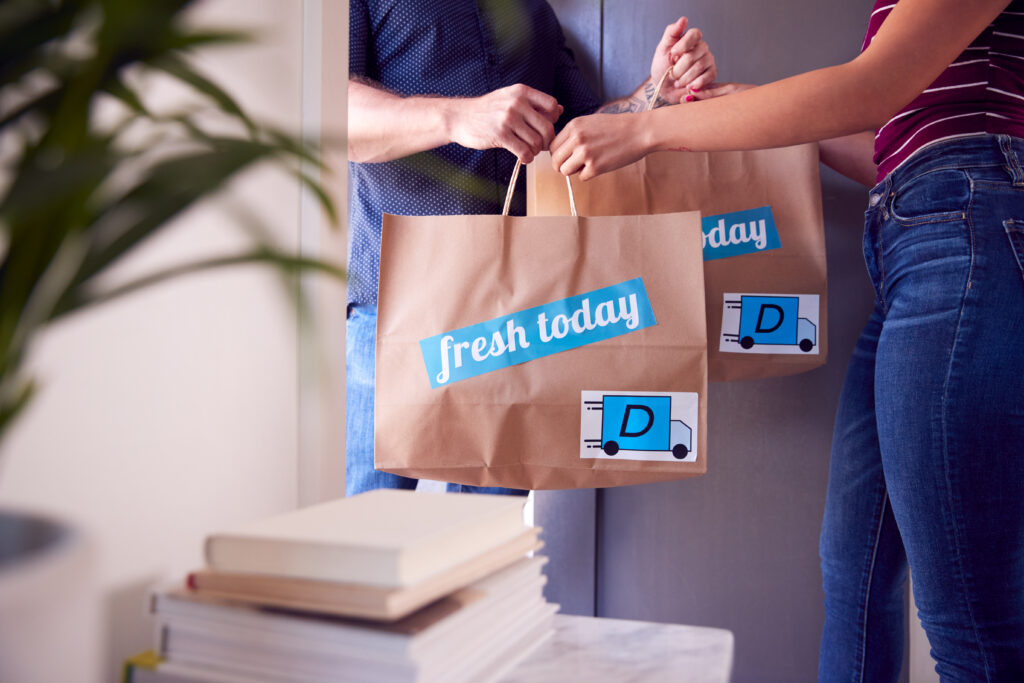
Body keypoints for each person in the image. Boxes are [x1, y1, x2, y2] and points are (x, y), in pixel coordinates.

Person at [551, 1, 1024, 679]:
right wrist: (748, 110)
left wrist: (654, 131)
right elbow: (891, 151)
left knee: (969, 628)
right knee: (854, 574)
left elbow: (874, 87)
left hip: (962, 240)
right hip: (914, 242)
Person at [346, 3, 716, 497]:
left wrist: (655, 94)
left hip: (514, 318)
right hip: (394, 309)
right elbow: (331, 115)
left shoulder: (531, 8)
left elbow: (582, 129)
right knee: (365, 539)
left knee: (491, 545)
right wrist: (458, 116)